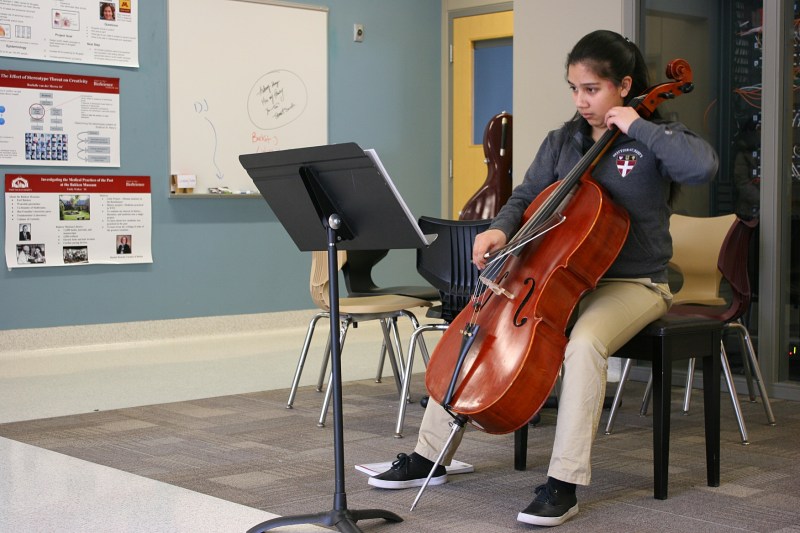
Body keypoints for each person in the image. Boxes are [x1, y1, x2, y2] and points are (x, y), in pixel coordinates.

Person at [367, 29, 718, 527]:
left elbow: (702, 168)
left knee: (584, 344)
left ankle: (564, 483)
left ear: (623, 85)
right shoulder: (563, 141)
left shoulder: (656, 138)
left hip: (635, 283)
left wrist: (639, 125)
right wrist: (498, 230)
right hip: (560, 276)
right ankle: (430, 454)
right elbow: (524, 197)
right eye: (574, 89)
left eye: (592, 90)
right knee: (481, 324)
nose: (581, 100)